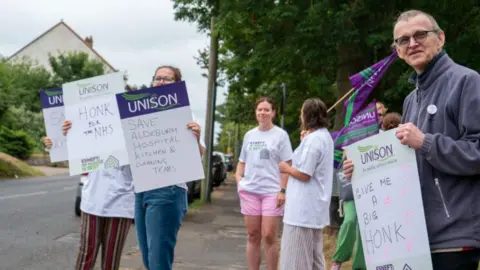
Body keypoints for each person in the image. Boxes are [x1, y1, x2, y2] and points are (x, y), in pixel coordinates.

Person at [343, 9, 480, 270]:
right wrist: (362, 171)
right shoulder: (411, 98)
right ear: (397, 50)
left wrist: (426, 142)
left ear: (440, 38)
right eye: (403, 40)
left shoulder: (467, 81)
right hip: (412, 238)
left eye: (420, 35)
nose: (412, 43)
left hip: (453, 236)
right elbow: (404, 164)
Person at [134, 65, 206, 270]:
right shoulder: (139, 114)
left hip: (168, 190)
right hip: (142, 190)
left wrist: (196, 138)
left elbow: (199, 153)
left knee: (158, 262)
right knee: (149, 259)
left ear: (177, 85)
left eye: (167, 79)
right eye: (157, 78)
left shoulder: (186, 114)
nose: (160, 82)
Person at [43, 136, 134, 270]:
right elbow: (74, 152)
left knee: (111, 259)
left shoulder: (131, 122)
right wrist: (55, 144)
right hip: (93, 201)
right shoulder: (91, 122)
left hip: (121, 203)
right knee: (86, 256)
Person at [235, 97, 293, 270]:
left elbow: (287, 165)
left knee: (268, 235)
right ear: (256, 112)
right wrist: (239, 180)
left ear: (273, 113)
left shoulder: (280, 135)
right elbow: (241, 162)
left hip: (271, 192)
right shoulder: (249, 135)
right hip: (250, 191)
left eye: (266, 109)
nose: (262, 112)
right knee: (253, 235)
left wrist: (283, 190)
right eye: (259, 109)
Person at [278, 98, 333, 270]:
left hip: (302, 212)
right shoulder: (322, 137)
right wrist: (304, 142)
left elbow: (304, 173)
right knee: (314, 260)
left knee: (296, 261)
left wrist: (286, 168)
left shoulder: (315, 140)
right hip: (312, 210)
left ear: (307, 115)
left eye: (302, 112)